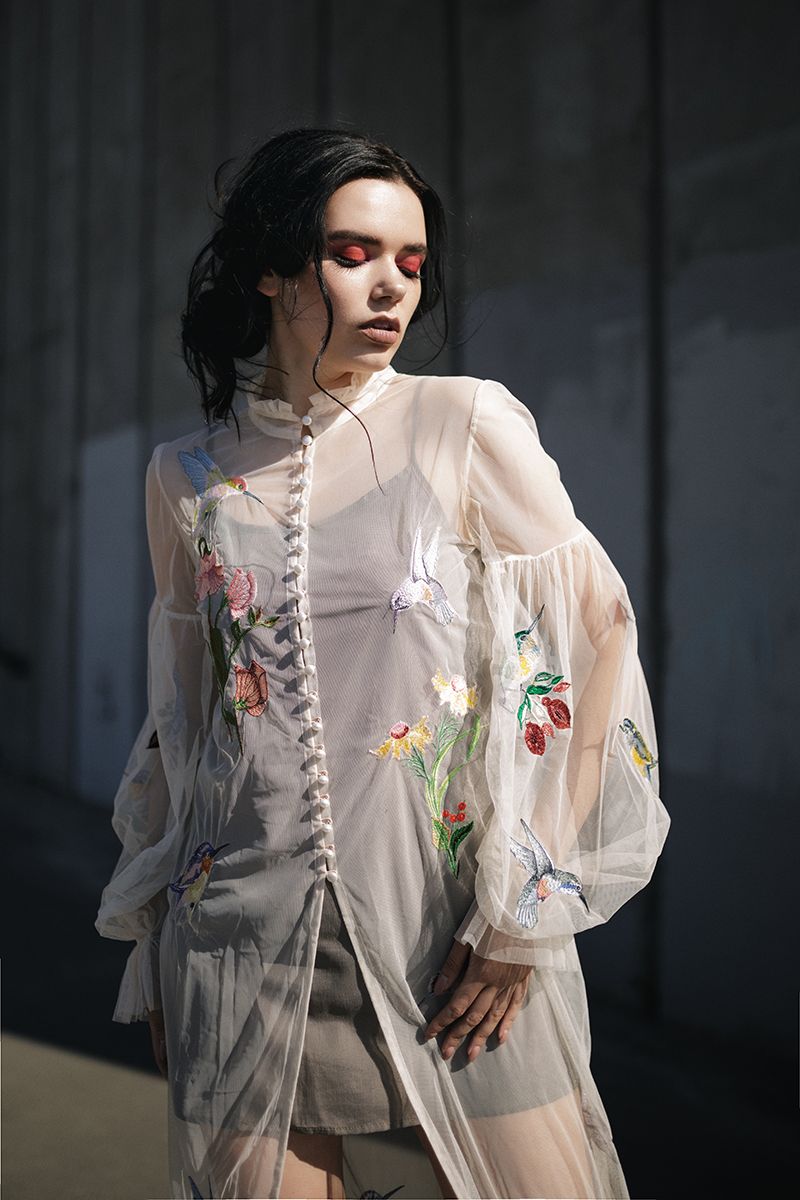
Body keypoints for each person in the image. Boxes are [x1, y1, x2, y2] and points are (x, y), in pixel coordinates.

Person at [95, 127, 670, 1200]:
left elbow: (598, 639)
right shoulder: (186, 475)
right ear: (270, 268)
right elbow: (188, 719)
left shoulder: (461, 422)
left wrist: (524, 906)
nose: (392, 285)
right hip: (237, 939)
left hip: (448, 941)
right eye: (352, 254)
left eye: (410, 261)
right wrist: (155, 930)